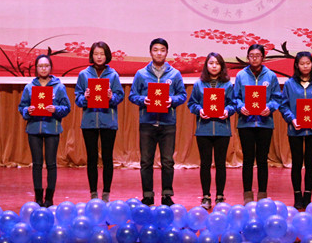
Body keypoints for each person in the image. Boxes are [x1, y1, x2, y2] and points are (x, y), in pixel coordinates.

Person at [129, 38, 187, 206]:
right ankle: (148, 195)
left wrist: (171, 100)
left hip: (168, 123)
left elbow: (182, 95)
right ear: (150, 52)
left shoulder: (175, 74)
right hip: (147, 123)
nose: (159, 53)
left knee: (168, 161)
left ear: (167, 53)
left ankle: (167, 195)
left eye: (162, 50)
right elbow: (132, 95)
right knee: (146, 161)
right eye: (155, 50)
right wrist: (143, 100)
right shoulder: (141, 74)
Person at [75, 41, 125, 202]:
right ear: (92, 55)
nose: (99, 57)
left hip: (108, 121)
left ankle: (106, 193)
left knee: (107, 157)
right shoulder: (84, 74)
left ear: (107, 56)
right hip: (89, 122)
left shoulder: (113, 75)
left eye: (102, 54)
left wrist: (112, 97)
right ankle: (93, 193)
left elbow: (120, 96)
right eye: (96, 54)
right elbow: (77, 99)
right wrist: (85, 97)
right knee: (91, 158)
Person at [18, 54, 71, 207]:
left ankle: (49, 197)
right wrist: (28, 110)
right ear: (36, 68)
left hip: (52, 128)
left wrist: (55, 109)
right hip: (34, 129)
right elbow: (21, 107)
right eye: (40, 66)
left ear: (50, 67)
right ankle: (38, 196)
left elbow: (67, 108)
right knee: (37, 164)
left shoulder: (58, 87)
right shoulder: (30, 87)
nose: (43, 69)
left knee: (51, 163)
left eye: (46, 66)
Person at [279, 51, 312, 209]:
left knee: (310, 163)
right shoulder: (289, 84)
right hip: (295, 129)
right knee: (297, 163)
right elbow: (283, 106)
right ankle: (297, 196)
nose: (305, 66)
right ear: (297, 65)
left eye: (308, 63)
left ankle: (307, 195)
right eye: (302, 64)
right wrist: (292, 119)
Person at [233, 43, 282, 203]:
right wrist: (241, 107)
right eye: (251, 56)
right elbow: (235, 97)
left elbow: (277, 97)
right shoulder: (241, 75)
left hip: (264, 123)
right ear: (248, 57)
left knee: (262, 160)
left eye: (257, 56)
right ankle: (247, 194)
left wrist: (270, 107)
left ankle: (262, 194)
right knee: (247, 159)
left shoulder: (271, 76)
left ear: (263, 57)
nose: (254, 59)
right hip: (246, 123)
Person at [187, 52, 236, 209]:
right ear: (206, 66)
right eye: (211, 63)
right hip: (204, 129)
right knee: (205, 164)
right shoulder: (199, 84)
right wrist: (199, 110)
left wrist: (227, 111)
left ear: (222, 66)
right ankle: (206, 196)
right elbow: (191, 103)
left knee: (221, 164)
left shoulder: (227, 85)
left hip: (222, 129)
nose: (214, 66)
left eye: (217, 63)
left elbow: (233, 103)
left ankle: (220, 196)